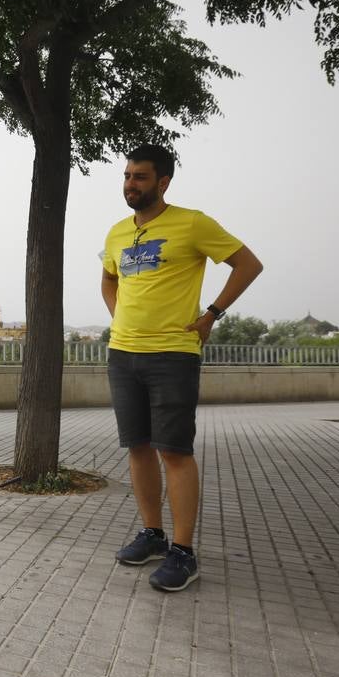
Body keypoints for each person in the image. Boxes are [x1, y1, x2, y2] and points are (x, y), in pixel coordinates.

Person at [101, 144, 263, 592]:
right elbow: (109, 277)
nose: (131, 184)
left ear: (163, 182)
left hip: (173, 353)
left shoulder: (192, 223)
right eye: (127, 176)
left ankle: (183, 552)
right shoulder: (117, 232)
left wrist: (212, 313)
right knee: (137, 447)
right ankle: (152, 534)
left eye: (141, 177)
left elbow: (248, 264)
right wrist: (122, 317)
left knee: (174, 451)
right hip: (123, 352)